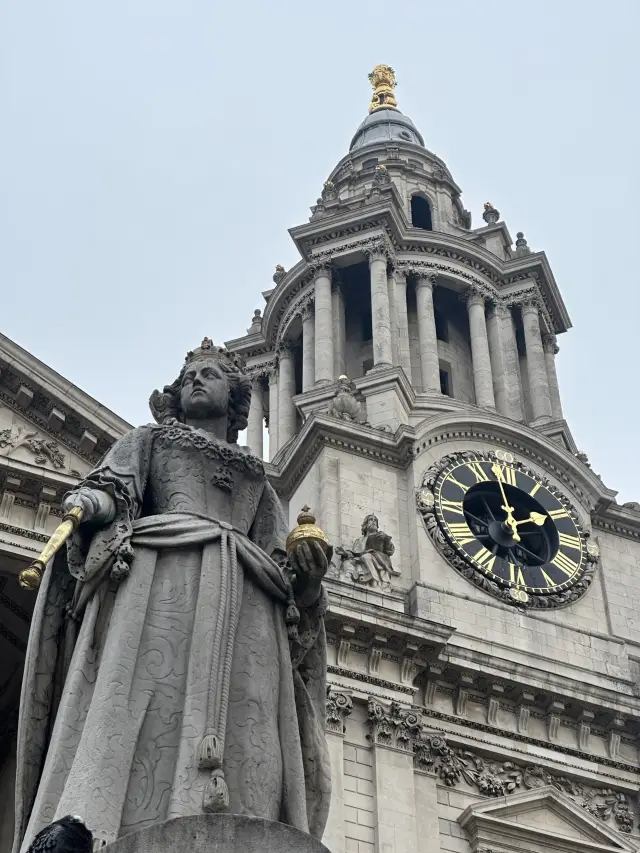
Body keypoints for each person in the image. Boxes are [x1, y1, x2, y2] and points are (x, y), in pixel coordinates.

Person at [14, 339, 331, 852]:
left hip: (247, 601)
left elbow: (281, 567)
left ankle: (236, 817)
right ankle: (101, 822)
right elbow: (115, 489)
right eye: (188, 377)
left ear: (235, 400)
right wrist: (90, 503)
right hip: (161, 581)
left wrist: (308, 578)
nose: (196, 382)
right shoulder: (149, 441)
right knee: (142, 695)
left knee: (247, 719)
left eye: (209, 375)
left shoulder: (259, 481)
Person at [338, 513, 395, 591]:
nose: (374, 522)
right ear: (365, 524)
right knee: (347, 563)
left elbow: (390, 550)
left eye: (375, 520)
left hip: (379, 559)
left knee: (366, 556)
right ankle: (347, 581)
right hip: (362, 560)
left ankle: (375, 581)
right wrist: (345, 553)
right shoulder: (359, 540)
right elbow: (354, 553)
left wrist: (386, 540)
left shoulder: (380, 535)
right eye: (371, 520)